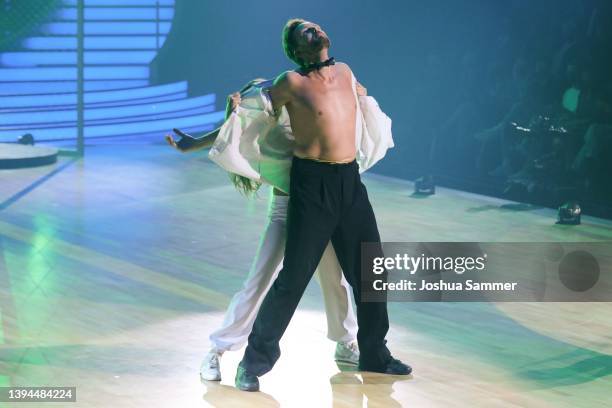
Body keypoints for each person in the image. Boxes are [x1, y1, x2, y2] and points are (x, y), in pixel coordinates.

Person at [229, 18, 411, 392]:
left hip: (350, 182)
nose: (313, 31)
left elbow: (360, 107)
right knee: (293, 279)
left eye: (314, 27)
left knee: (372, 274)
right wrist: (216, 124)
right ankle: (252, 363)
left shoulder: (344, 71)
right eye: (304, 33)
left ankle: (374, 353)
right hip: (313, 187)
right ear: (297, 51)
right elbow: (248, 114)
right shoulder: (290, 82)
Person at [165, 77, 378, 382]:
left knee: (334, 279)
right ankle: (218, 350)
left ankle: (345, 342)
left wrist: (361, 97)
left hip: (323, 204)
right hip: (287, 206)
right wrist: (194, 143)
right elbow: (238, 128)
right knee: (259, 280)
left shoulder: (314, 92)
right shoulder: (274, 95)